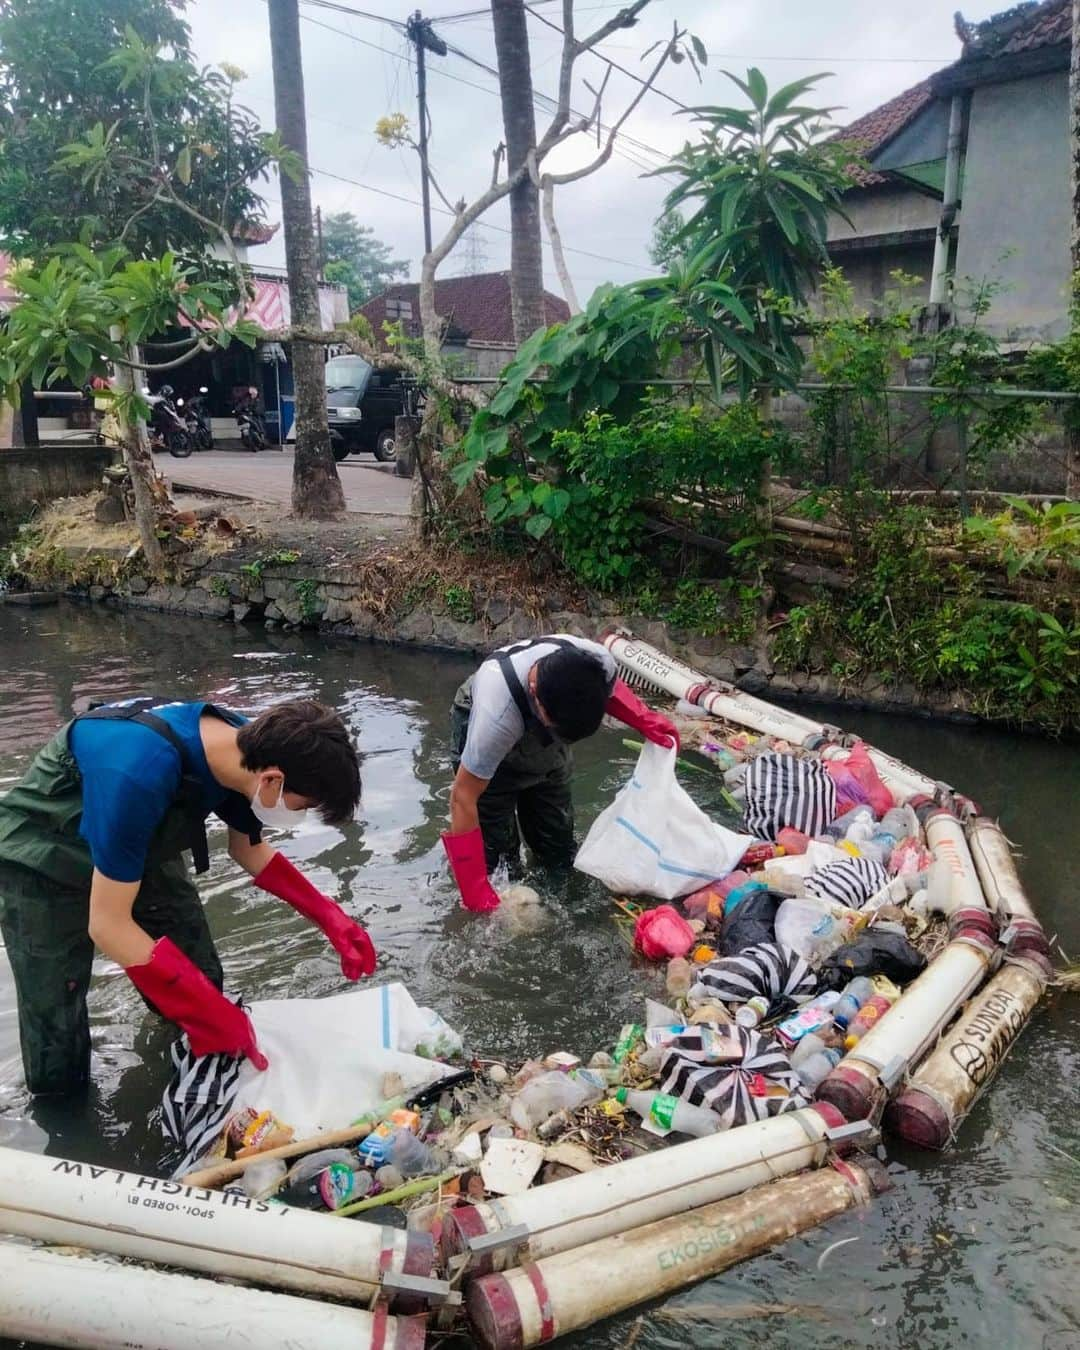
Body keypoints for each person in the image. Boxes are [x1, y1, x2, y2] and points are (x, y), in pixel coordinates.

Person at [0, 697, 373, 1097]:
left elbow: (247, 848)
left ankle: (187, 1074)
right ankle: (66, 1126)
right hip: (43, 858)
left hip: (139, 848)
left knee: (201, 975)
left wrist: (331, 919)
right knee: (56, 1022)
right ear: (273, 781)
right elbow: (108, 925)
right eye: (302, 806)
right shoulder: (138, 771)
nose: (297, 815)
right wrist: (211, 1015)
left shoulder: (256, 750)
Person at [444, 635, 678, 912]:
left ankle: (558, 890)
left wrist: (644, 719)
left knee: (559, 852)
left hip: (555, 718)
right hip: (487, 716)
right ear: (535, 694)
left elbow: (611, 690)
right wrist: (475, 891)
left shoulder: (596, 661)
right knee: (499, 864)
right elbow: (463, 797)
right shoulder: (495, 718)